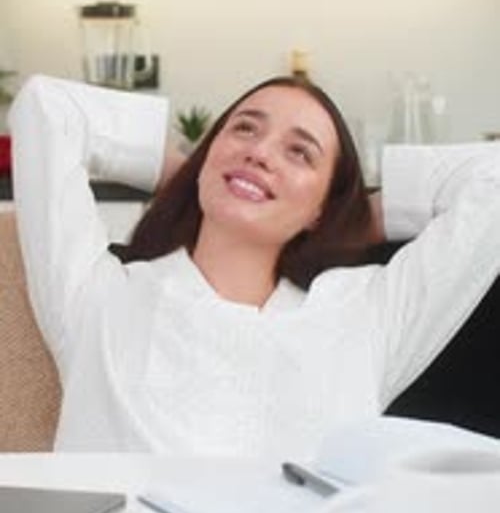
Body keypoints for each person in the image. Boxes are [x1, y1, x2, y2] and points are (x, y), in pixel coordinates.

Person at [9, 74, 500, 456]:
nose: (258, 152)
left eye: (299, 152)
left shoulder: (369, 315)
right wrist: (185, 173)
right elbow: (46, 106)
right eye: (245, 128)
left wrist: (357, 219)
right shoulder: (97, 295)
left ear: (320, 207)